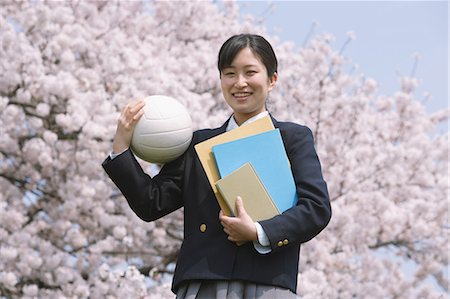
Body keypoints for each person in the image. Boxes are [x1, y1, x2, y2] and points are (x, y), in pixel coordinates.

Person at [102, 34, 331, 298]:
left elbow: (316, 208)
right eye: (230, 73)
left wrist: (259, 231)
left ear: (272, 79)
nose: (240, 83)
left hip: (267, 284)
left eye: (250, 72)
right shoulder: (198, 143)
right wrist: (121, 148)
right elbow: (152, 202)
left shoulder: (293, 137)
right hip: (202, 282)